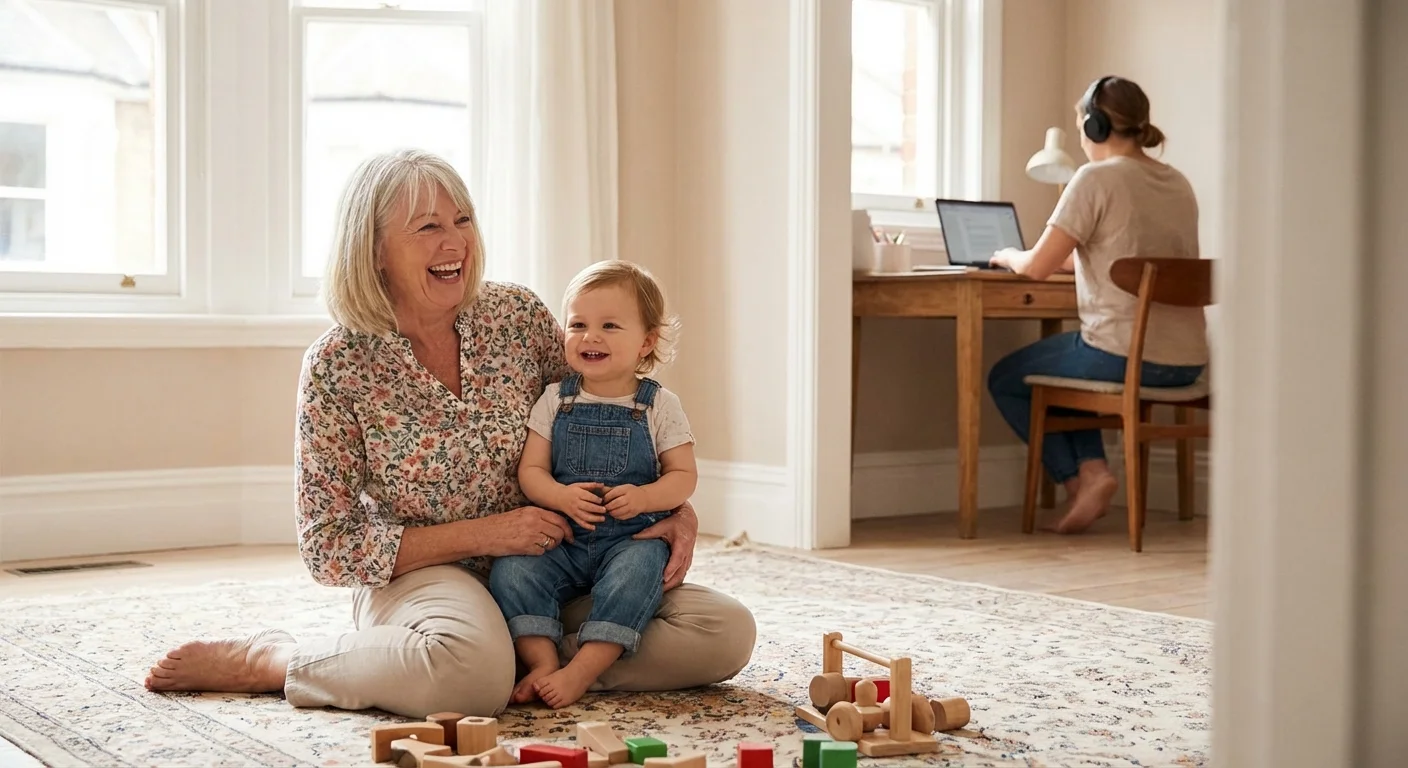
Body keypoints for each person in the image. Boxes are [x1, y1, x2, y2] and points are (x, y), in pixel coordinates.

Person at [142, 149, 756, 718]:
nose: (454, 240)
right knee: (467, 681)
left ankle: (525, 659)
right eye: (427, 226)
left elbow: (610, 415)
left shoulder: (517, 316)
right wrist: (487, 534)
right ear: (374, 249)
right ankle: (279, 661)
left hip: (557, 565)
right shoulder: (338, 365)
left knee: (722, 632)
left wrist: (676, 512)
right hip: (426, 576)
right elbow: (327, 547)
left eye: (461, 219)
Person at [987, 75, 1209, 534]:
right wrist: (1081, 263)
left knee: (1007, 377)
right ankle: (1090, 474)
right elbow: (1135, 258)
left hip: (1124, 356)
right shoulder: (1176, 182)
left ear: (1094, 126)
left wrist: (1008, 254)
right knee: (1071, 361)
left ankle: (1084, 476)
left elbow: (1034, 268)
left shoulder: (1095, 177)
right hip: (1187, 363)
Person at [491, 260, 698, 709]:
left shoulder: (659, 405)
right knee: (512, 570)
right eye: (578, 324)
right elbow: (531, 471)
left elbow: (684, 476)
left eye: (609, 325)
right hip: (563, 539)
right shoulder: (554, 399)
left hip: (630, 538)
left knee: (640, 573)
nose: (591, 336)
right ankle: (543, 661)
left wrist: (645, 497)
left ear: (647, 341)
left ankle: (584, 669)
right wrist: (560, 495)